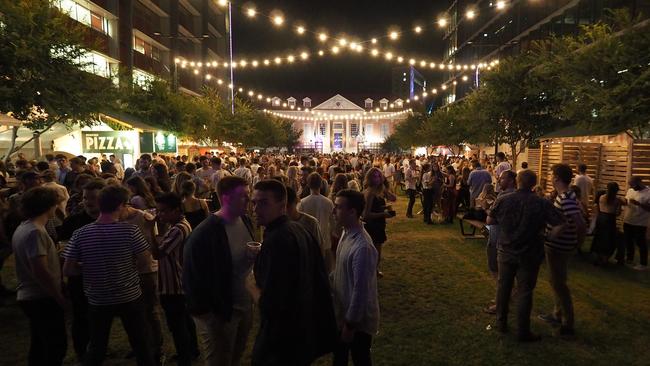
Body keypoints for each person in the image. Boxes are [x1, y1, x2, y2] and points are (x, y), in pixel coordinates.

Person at [62, 185, 155, 366]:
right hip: (129, 296)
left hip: (98, 298)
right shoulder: (130, 231)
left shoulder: (81, 234)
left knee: (97, 346)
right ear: (120, 205)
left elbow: (68, 270)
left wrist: (90, 268)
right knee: (141, 344)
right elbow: (145, 262)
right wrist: (125, 267)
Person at [250, 179, 337, 365]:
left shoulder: (277, 239)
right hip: (304, 333)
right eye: (254, 203)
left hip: (283, 343)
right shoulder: (298, 229)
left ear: (282, 205)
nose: (256, 209)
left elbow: (272, 304)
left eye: (264, 203)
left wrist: (250, 284)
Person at [183, 176, 256, 366]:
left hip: (244, 305)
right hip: (220, 312)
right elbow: (192, 277)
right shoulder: (205, 233)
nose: (249, 200)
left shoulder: (246, 221)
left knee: (235, 357)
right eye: (243, 196)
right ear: (226, 198)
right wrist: (208, 314)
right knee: (219, 360)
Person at [487, 170, 565, 342]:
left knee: (503, 287)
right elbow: (560, 223)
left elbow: (490, 220)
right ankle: (523, 331)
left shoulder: (504, 199)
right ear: (532, 183)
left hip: (506, 250)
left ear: (518, 181)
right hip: (530, 253)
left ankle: (501, 323)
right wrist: (550, 237)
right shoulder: (541, 203)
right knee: (525, 291)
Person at [13, 187, 67, 365]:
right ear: (48, 206)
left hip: (31, 295)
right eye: (55, 205)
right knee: (54, 346)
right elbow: (40, 270)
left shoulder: (24, 228)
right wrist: (58, 296)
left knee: (39, 344)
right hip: (40, 296)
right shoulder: (35, 232)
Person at [57, 178, 106, 362]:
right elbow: (63, 255)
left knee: (101, 320)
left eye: (92, 197)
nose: (88, 201)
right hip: (80, 282)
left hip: (105, 282)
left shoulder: (112, 220)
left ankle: (98, 347)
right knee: (81, 318)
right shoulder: (73, 223)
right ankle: (82, 352)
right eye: (86, 197)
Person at [332, 190, 379, 366]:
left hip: (357, 322)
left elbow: (361, 291)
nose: (334, 211)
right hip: (343, 313)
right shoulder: (346, 232)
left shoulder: (362, 247)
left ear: (352, 211)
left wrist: (350, 325)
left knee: (360, 359)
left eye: (338, 207)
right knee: (340, 358)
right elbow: (340, 271)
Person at [538, 164, 587, 336]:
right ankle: (557, 314)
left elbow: (580, 224)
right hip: (557, 247)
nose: (551, 177)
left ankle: (568, 324)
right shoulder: (567, 196)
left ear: (557, 177)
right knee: (555, 281)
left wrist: (577, 244)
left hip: (560, 248)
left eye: (552, 175)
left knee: (560, 285)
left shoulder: (566, 198)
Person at [153, 193, 196, 366]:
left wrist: (150, 228)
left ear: (176, 210)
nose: (159, 215)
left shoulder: (178, 229)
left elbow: (158, 253)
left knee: (177, 325)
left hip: (173, 285)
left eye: (163, 211)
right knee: (185, 321)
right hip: (179, 282)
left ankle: (185, 358)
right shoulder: (181, 225)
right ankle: (192, 350)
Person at [483, 170, 516, 315]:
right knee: (505, 273)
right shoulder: (518, 196)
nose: (498, 181)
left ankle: (502, 301)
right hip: (510, 239)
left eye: (502, 179)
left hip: (498, 238)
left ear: (510, 181)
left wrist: (487, 209)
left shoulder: (503, 196)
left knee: (497, 271)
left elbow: (491, 219)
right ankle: (505, 297)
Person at [363, 167, 396, 278]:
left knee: (376, 251)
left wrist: (385, 190)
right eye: (375, 176)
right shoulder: (370, 193)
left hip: (378, 224)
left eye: (379, 175)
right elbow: (366, 215)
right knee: (374, 251)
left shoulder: (379, 191)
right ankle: (372, 272)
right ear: (370, 178)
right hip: (372, 225)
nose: (378, 178)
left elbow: (394, 198)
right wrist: (383, 214)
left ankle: (374, 270)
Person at [298, 172, 335, 266]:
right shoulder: (328, 202)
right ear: (321, 184)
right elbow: (333, 223)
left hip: (308, 241)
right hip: (325, 240)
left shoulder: (303, 203)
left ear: (308, 184)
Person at [286, 187, 326, 259]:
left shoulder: (311, 222)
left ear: (296, 201)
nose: (285, 210)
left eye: (288, 206)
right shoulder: (278, 224)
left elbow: (319, 249)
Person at [621, 176, 650, 270]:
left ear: (640, 182)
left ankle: (643, 264)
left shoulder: (648, 192)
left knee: (640, 242)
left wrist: (639, 204)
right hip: (628, 219)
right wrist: (623, 201)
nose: (632, 187)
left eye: (633, 184)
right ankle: (629, 259)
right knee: (628, 240)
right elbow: (626, 201)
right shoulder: (630, 191)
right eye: (630, 185)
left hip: (640, 222)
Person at [591, 183, 624, 265]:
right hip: (610, 219)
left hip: (601, 218)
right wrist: (620, 204)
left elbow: (598, 208)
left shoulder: (602, 197)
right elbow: (617, 213)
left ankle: (598, 257)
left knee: (599, 237)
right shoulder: (617, 200)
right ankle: (605, 259)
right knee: (608, 239)